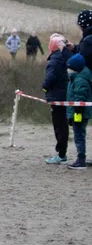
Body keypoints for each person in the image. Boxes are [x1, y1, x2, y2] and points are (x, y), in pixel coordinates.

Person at [42, 34, 71, 164]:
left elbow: (50, 77)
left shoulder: (55, 60)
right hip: (63, 95)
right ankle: (61, 153)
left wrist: (44, 87)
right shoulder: (64, 57)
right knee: (63, 125)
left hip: (57, 96)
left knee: (59, 126)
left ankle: (61, 154)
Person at [66, 53, 92, 170]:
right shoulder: (76, 78)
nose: (68, 70)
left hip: (79, 113)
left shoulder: (80, 80)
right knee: (79, 135)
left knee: (79, 135)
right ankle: (81, 158)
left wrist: (76, 116)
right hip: (77, 112)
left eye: (70, 68)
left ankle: (81, 160)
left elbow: (79, 100)